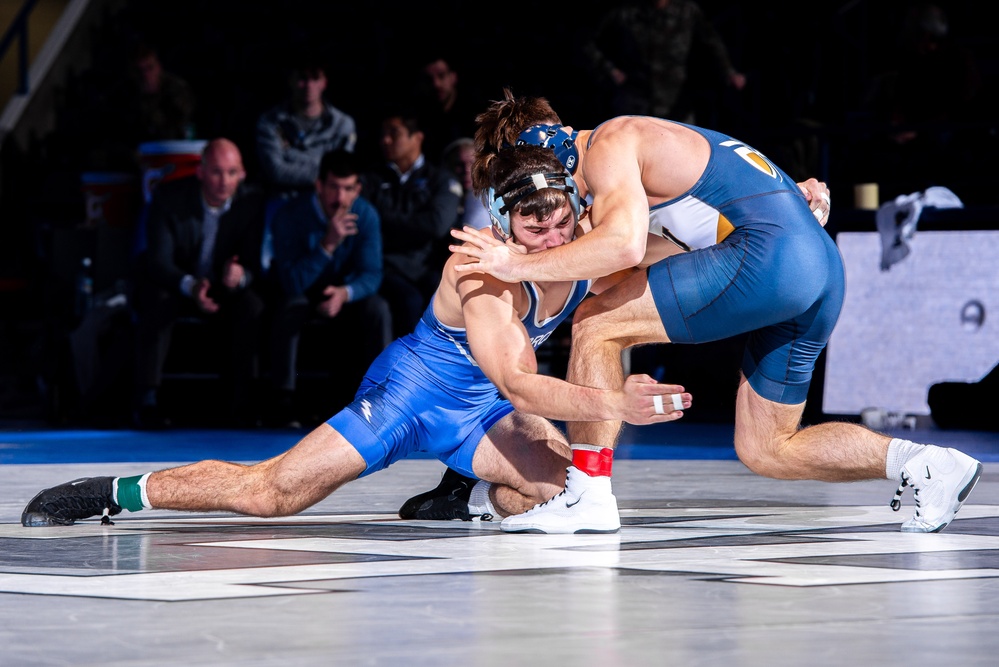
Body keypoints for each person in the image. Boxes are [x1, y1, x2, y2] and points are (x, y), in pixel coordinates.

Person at [21, 152, 691, 529]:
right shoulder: (482, 272)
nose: (550, 241)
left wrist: (785, 208)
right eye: (532, 227)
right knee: (272, 493)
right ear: (504, 226)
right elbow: (519, 382)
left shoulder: (588, 250)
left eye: (559, 225)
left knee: (567, 492)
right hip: (408, 395)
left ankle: (464, 493)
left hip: (480, 414)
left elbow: (686, 241)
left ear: (576, 215)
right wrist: (609, 403)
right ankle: (114, 489)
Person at [447, 89, 982, 535]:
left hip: (772, 255)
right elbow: (637, 257)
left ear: (547, 150)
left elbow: (625, 250)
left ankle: (587, 495)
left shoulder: (610, 143)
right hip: (815, 263)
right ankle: (924, 463)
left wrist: (514, 266)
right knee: (767, 448)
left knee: (598, 326)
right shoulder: (628, 171)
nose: (549, 197)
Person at [131, 138, 267, 429]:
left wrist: (239, 275)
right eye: (216, 172)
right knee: (156, 299)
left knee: (252, 304)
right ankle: (148, 399)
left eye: (231, 173)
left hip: (222, 287)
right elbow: (158, 261)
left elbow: (256, 265)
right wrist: (191, 286)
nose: (224, 181)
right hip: (175, 282)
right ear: (201, 172)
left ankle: (244, 402)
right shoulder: (168, 196)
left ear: (241, 174)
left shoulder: (251, 202)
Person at [267, 149, 391, 426]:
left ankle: (382, 398)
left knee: (378, 308)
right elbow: (292, 282)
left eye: (348, 189)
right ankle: (283, 401)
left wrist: (345, 293)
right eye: (334, 187)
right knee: (289, 308)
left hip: (344, 293)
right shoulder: (290, 215)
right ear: (319, 185)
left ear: (358, 189)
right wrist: (328, 244)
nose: (340, 198)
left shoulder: (366, 215)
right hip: (303, 293)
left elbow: (372, 274)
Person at [363, 110, 462, 338]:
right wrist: (415, 226)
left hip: (427, 266)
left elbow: (437, 224)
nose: (385, 140)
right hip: (386, 267)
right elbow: (369, 224)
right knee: (408, 301)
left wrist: (388, 222)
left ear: (417, 137)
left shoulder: (440, 179)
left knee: (442, 299)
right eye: (383, 134)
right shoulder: (371, 180)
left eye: (394, 133)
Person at [582, 0, 746, 122]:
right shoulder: (627, 12)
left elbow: (712, 42)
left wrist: (729, 72)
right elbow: (586, 41)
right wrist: (611, 70)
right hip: (634, 100)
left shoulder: (687, 11)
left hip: (675, 102)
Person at [255, 58, 358, 200]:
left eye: (315, 78)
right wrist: (322, 170)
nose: (309, 85)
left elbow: (341, 173)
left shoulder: (342, 124)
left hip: (325, 202)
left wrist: (291, 160)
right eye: (302, 78)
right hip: (283, 201)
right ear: (291, 80)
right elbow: (275, 171)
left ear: (324, 82)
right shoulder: (270, 122)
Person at [415, 54, 483, 164]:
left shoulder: (477, 114)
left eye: (441, 76)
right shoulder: (419, 118)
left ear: (453, 77)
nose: (436, 84)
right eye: (429, 79)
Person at [442, 137, 492, 231]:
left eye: (472, 163)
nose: (466, 170)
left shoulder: (491, 200)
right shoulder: (437, 197)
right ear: (447, 167)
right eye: (459, 164)